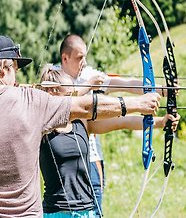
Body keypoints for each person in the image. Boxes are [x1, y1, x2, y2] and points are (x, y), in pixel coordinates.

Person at [0, 35, 161, 217]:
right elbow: (85, 107)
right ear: (4, 69)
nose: (17, 78)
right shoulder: (29, 101)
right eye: (15, 70)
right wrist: (136, 103)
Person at [38, 67, 180, 218]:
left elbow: (123, 122)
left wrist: (161, 122)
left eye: (74, 93)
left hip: (88, 211)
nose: (73, 99)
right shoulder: (41, 126)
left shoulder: (82, 122)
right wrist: (88, 85)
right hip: (56, 213)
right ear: (52, 94)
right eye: (69, 94)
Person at [57, 34, 168, 217]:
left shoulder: (90, 74)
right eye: (79, 57)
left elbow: (125, 84)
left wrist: (163, 90)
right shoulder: (54, 79)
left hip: (91, 157)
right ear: (65, 58)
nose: (83, 62)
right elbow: (60, 102)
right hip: (63, 162)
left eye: (85, 56)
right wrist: (88, 86)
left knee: (96, 210)